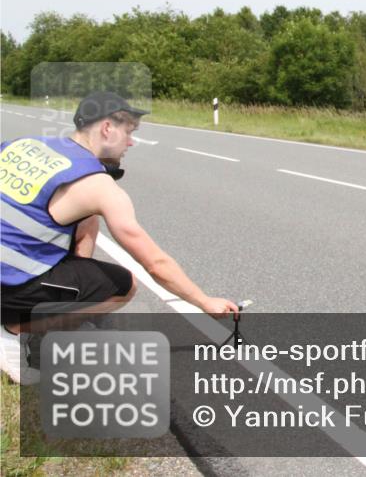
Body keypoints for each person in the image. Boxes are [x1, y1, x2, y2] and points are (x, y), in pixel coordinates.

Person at [1, 92, 239, 383]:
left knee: (87, 217)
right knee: (124, 285)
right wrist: (204, 301)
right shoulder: (98, 185)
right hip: (8, 287)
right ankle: (11, 332)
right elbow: (154, 262)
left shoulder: (26, 144)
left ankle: (66, 322)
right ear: (106, 128)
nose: (131, 142)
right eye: (129, 132)